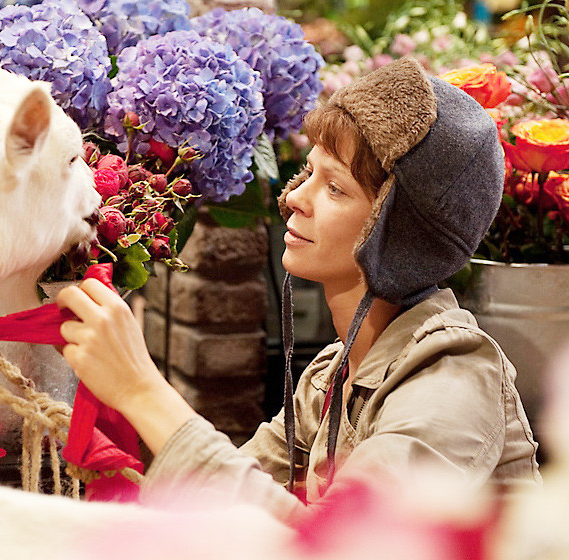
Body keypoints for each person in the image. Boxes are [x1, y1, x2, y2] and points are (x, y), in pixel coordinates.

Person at [56, 57, 541, 524]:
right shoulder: (332, 376)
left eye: (335, 188)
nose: (293, 199)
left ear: (400, 236)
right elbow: (214, 509)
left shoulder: (451, 380)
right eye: (309, 173)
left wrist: (143, 390)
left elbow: (331, 544)